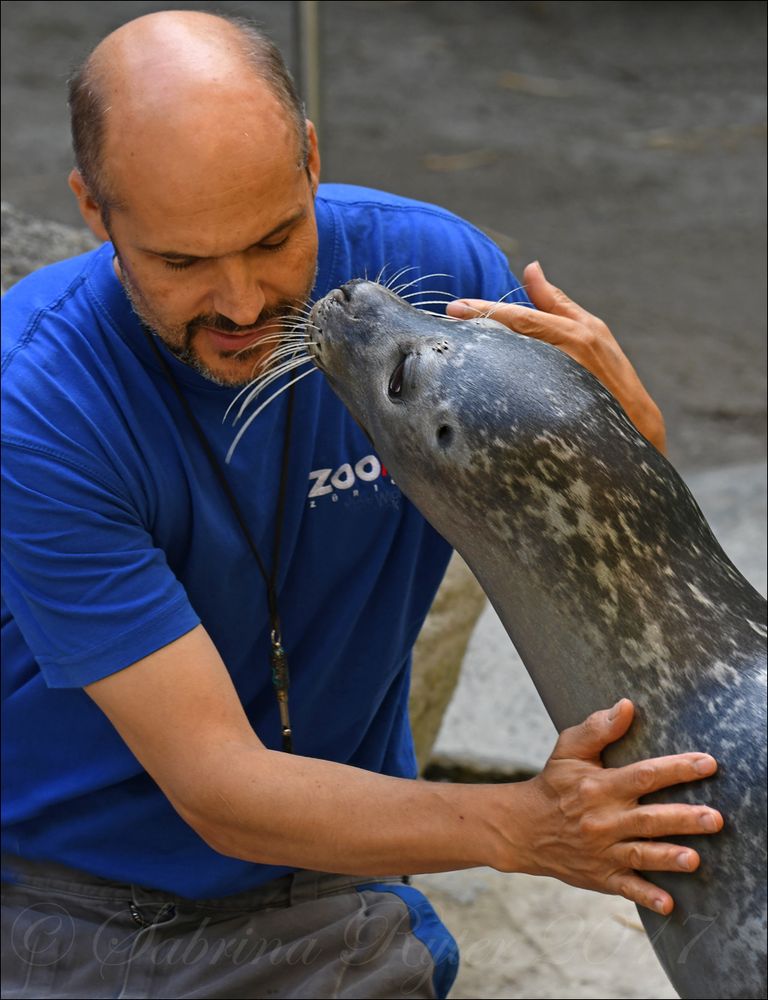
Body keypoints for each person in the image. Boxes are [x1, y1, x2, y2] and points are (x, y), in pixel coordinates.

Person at [1, 10, 721, 999]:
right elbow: (220, 787)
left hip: (339, 888)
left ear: (310, 157)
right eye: (182, 263)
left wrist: (629, 443)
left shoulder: (437, 278)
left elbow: (596, 547)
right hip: (85, 908)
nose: (247, 303)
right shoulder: (38, 405)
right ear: (93, 209)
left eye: (275, 237)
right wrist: (521, 826)